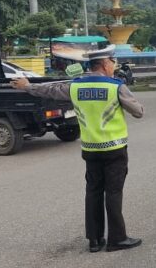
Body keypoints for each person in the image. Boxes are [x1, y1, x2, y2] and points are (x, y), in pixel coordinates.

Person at [10, 45, 144, 253]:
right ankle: (117, 239)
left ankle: (94, 240)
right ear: (105, 64)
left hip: (90, 149)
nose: (114, 66)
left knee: (93, 192)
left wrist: (27, 86)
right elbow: (138, 112)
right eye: (113, 62)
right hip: (114, 149)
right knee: (113, 193)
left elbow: (49, 91)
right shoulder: (115, 87)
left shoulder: (75, 87)